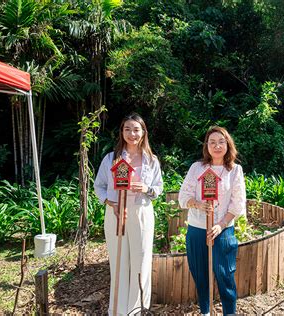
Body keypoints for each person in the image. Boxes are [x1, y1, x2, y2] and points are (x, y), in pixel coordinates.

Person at [94, 113, 163, 315]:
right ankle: (117, 310)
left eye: (136, 129)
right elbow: (99, 186)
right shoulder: (111, 159)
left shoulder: (151, 160)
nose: (132, 134)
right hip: (115, 213)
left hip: (142, 213)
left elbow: (158, 188)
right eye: (127, 129)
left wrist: (146, 188)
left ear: (143, 133)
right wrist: (110, 202)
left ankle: (136, 310)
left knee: (141, 261)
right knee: (118, 261)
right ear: (122, 132)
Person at [178, 126, 246, 316]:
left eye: (221, 142)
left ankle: (229, 313)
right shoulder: (197, 168)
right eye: (212, 142)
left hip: (223, 229)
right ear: (206, 146)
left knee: (225, 274)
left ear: (228, 144)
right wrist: (198, 204)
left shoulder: (234, 171)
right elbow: (183, 197)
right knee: (200, 274)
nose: (217, 146)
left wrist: (221, 225)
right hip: (197, 229)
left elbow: (237, 204)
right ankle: (205, 312)